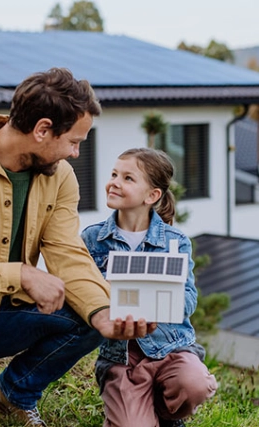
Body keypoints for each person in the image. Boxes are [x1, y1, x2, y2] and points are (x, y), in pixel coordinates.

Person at [0, 68, 153, 427]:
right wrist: (21, 274)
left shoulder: (60, 178)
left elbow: (67, 253)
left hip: (8, 312)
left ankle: (15, 392)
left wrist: (102, 312)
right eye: (74, 141)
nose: (75, 153)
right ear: (42, 130)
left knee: (90, 312)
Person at [81, 147, 218, 427]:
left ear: (152, 195)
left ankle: (166, 414)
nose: (115, 182)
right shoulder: (93, 239)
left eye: (128, 178)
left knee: (195, 384)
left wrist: (158, 302)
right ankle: (138, 408)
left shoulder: (175, 241)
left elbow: (189, 298)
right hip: (122, 356)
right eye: (114, 174)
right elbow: (83, 292)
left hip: (171, 348)